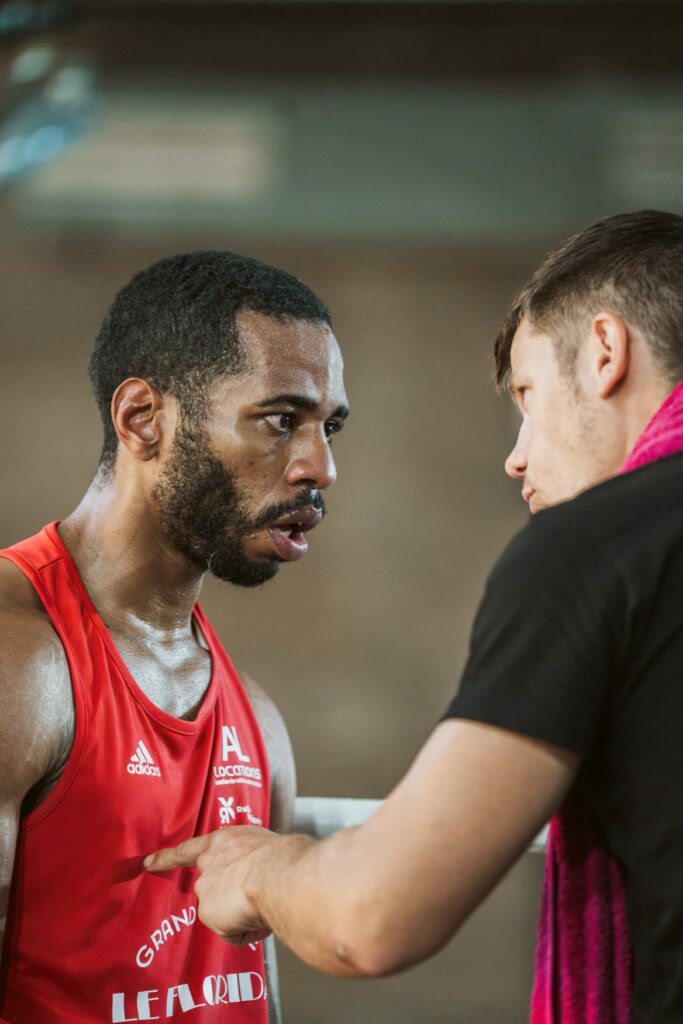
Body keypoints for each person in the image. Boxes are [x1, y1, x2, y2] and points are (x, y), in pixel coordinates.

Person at [147, 210, 683, 1024]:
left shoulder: (591, 548)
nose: (516, 454)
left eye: (528, 398)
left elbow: (372, 920)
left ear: (605, 352)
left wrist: (257, 868)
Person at [0, 251, 349, 1024]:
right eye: (280, 419)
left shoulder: (256, 724)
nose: (319, 466)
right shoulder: (17, 659)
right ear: (143, 419)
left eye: (330, 427)